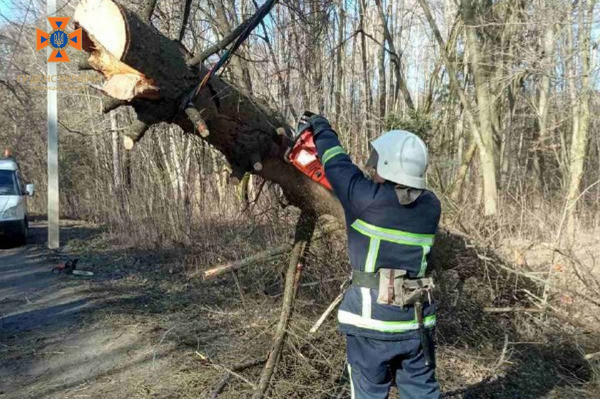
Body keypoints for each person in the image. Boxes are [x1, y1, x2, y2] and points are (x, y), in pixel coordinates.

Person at [306, 114, 442, 399]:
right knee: (422, 392)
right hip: (416, 323)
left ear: (390, 166)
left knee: (368, 393)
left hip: (371, 324)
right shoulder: (431, 205)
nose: (372, 170)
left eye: (377, 163)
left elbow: (335, 161)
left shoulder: (365, 198)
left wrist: (321, 127)